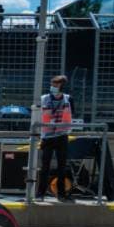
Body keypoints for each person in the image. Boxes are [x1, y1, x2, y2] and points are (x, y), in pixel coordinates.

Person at [36, 74, 76, 202]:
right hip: (47, 137)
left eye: (55, 85)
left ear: (62, 87)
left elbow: (72, 114)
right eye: (52, 84)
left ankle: (61, 194)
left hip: (62, 136)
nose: (52, 87)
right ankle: (40, 193)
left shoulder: (68, 99)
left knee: (61, 167)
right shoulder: (44, 98)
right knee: (45, 166)